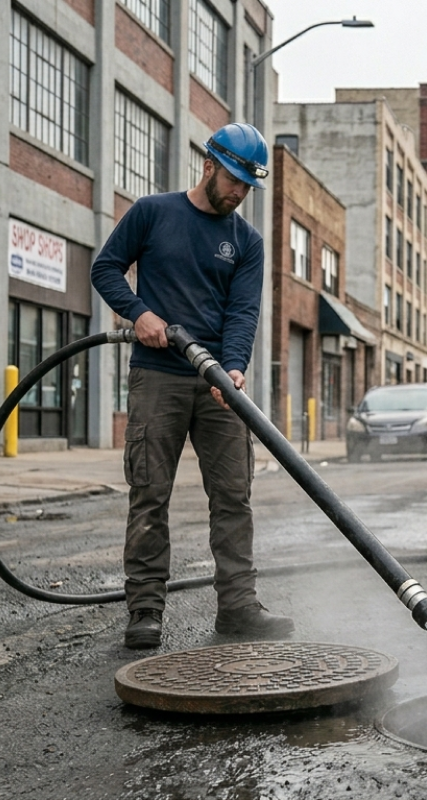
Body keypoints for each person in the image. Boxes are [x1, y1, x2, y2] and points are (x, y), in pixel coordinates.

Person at [91, 123, 293, 649]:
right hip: (157, 376)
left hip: (217, 384)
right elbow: (106, 268)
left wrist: (233, 368)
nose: (239, 192)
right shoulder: (153, 212)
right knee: (150, 494)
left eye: (248, 185)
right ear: (208, 165)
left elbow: (243, 312)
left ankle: (239, 608)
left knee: (233, 496)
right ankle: (145, 611)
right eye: (234, 180)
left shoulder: (245, 241)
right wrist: (139, 314)